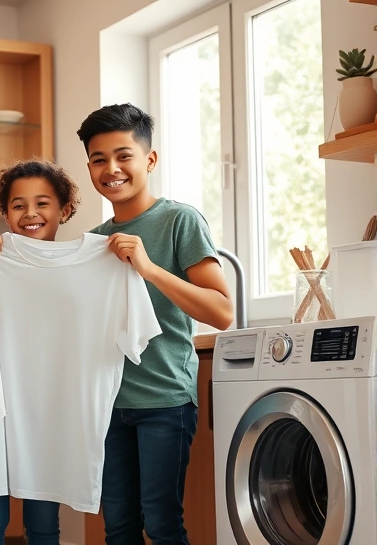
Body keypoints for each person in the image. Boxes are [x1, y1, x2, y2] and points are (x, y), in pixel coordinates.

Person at [78, 103, 233, 545]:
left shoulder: (179, 220)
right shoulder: (93, 240)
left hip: (165, 399)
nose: (111, 168)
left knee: (162, 523)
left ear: (150, 159)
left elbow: (222, 311)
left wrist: (148, 267)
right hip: (108, 404)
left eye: (124, 155)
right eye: (98, 159)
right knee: (119, 527)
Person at [0, 159, 81, 545]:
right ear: (5, 214)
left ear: (64, 210)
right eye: (18, 205)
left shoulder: (82, 266)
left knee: (43, 524)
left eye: (42, 203)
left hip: (47, 414)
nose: (30, 213)